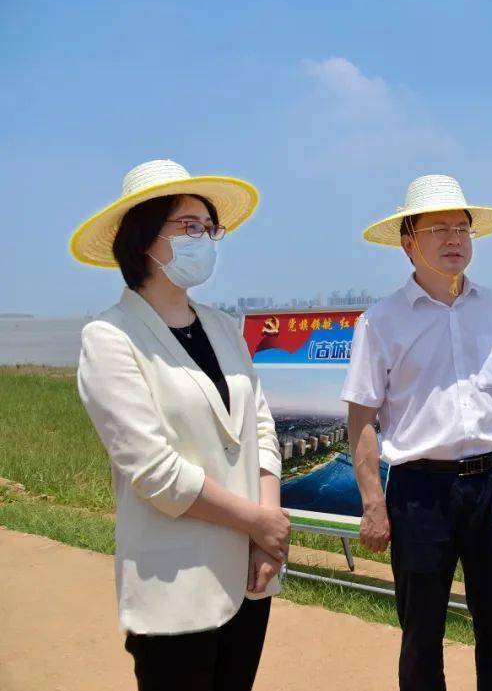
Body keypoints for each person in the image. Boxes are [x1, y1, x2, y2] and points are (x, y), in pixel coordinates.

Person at [72, 159, 290, 691]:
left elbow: (261, 429)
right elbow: (154, 471)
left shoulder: (222, 327)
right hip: (174, 589)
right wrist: (257, 523)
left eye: (209, 229)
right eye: (188, 227)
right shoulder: (110, 338)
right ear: (143, 238)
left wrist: (265, 536)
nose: (205, 240)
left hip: (249, 575)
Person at [341, 174, 492, 691]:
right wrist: (372, 503)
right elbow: (362, 418)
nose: (455, 239)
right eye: (439, 229)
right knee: (421, 633)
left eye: (462, 228)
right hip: (419, 492)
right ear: (409, 242)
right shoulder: (380, 322)